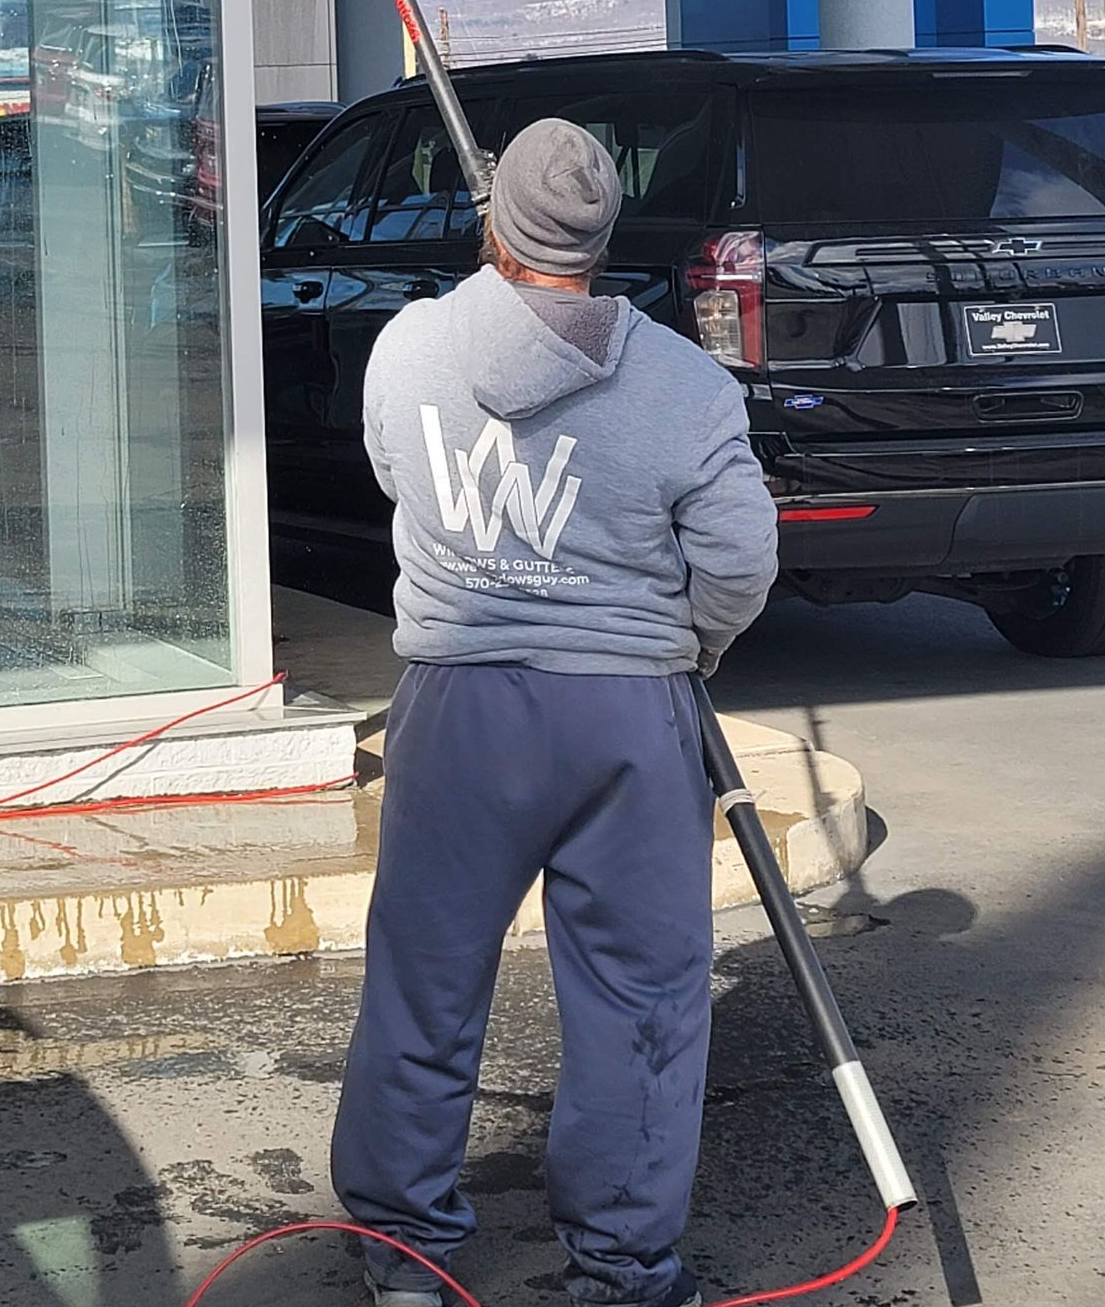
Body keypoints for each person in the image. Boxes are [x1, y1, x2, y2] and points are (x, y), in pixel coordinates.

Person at [331, 116, 781, 1307]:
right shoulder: (686, 382)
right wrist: (692, 643)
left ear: (496, 224)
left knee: (425, 979)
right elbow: (739, 556)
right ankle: (624, 1271)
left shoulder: (409, 350)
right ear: (601, 236)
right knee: (641, 1000)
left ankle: (407, 1255)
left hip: (458, 704)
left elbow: (394, 470)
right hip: (631, 716)